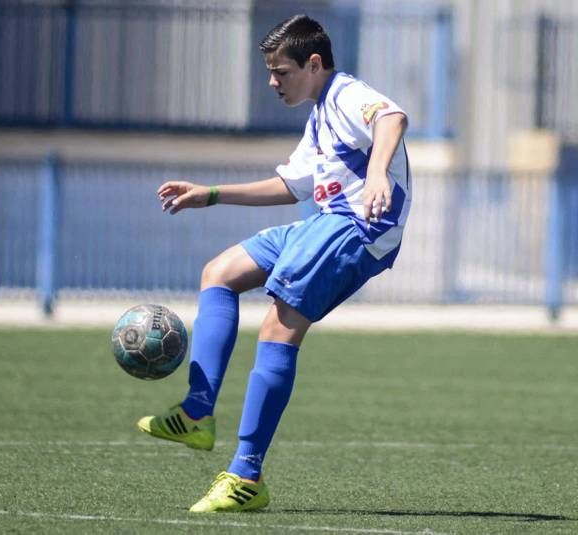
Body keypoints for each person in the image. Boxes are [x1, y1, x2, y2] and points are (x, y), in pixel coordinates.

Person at [137, 14, 411, 513]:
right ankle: (198, 413)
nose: (271, 82)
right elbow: (291, 185)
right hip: (327, 221)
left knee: (277, 326)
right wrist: (211, 195)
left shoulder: (346, 94)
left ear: (313, 63)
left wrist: (377, 175)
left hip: (358, 228)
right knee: (219, 272)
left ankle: (245, 475)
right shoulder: (319, 116)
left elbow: (391, 117)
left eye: (280, 71)